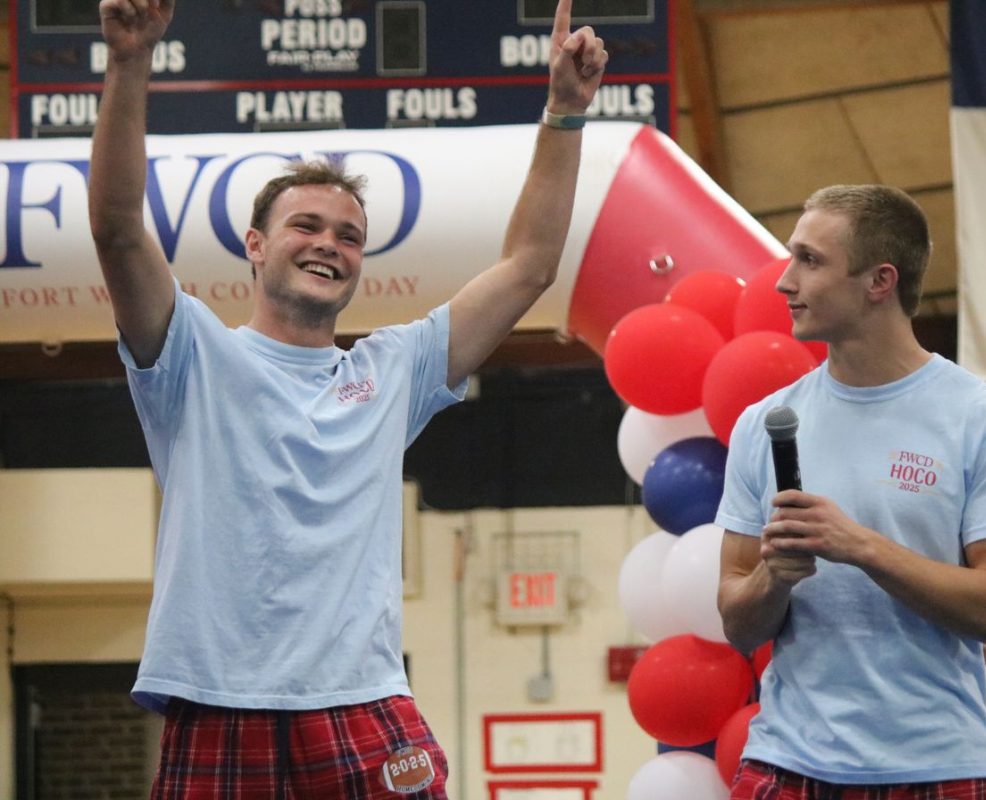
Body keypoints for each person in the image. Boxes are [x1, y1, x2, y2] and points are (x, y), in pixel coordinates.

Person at [88, 0, 605, 796]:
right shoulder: (192, 352)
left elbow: (531, 264)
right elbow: (121, 228)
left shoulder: (395, 368)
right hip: (219, 700)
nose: (330, 242)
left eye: (350, 234)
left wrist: (565, 114)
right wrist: (129, 63)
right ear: (255, 246)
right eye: (307, 225)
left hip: (364, 700)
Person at [715, 184, 986, 797]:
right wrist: (776, 578)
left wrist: (862, 547)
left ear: (880, 281)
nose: (783, 282)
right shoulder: (762, 424)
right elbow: (739, 625)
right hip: (787, 763)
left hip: (940, 768)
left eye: (809, 261)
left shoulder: (985, 422)